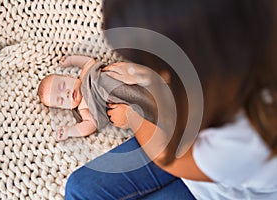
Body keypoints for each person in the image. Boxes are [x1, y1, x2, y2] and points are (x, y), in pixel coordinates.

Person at [64, 0, 277, 199]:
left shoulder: (245, 136)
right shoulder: (240, 39)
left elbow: (168, 157)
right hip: (191, 141)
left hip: (214, 182)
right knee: (80, 187)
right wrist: (145, 74)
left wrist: (134, 116)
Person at [38, 55, 165, 141]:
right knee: (147, 104)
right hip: (122, 99)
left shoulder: (85, 74)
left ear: (68, 76)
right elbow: (90, 125)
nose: (65, 93)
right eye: (61, 101)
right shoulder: (83, 108)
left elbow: (88, 62)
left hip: (125, 78)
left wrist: (71, 60)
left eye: (62, 86)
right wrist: (70, 131)